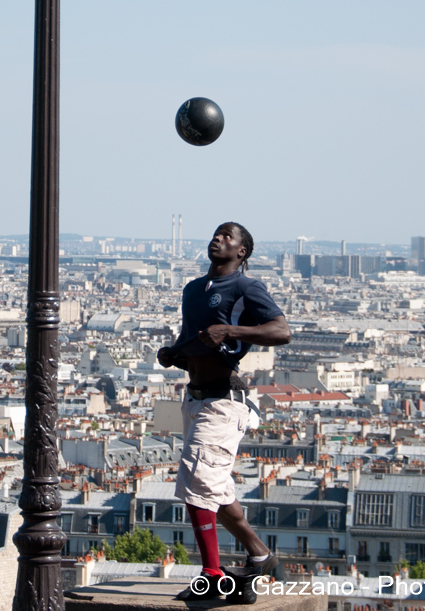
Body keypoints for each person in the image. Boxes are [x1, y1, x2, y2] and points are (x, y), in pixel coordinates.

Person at [157, 222, 291, 602]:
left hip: (222, 402)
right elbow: (198, 342)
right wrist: (174, 354)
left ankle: (212, 576)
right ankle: (260, 556)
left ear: (242, 252)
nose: (218, 239)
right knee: (214, 487)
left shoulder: (246, 286)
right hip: (196, 397)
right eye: (217, 234)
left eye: (228, 236)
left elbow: (282, 331)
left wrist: (231, 332)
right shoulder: (193, 289)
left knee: (197, 482)